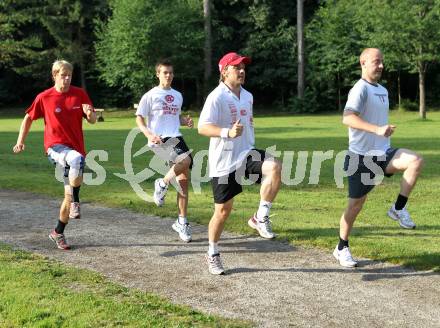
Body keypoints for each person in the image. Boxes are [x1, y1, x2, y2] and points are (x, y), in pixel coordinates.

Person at [334, 48, 424, 268]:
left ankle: (398, 208)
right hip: (361, 158)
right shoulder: (359, 89)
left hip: (383, 154)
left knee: (415, 161)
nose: (381, 66)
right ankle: (341, 247)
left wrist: (382, 133)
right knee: (355, 206)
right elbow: (347, 118)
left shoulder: (382, 90)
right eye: (376, 62)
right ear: (363, 63)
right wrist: (376, 129)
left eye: (382, 61)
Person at [198, 52, 282, 275]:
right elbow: (202, 127)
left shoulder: (248, 96)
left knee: (274, 166)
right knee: (223, 212)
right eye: (237, 67)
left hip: (245, 153)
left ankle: (260, 216)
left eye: (244, 67)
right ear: (224, 71)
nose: (242, 70)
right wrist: (227, 132)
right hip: (223, 161)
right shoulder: (216, 97)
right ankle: (213, 252)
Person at [13, 59, 97, 250]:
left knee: (68, 193)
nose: (66, 79)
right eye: (63, 75)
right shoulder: (44, 97)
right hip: (55, 148)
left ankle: (58, 232)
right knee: (76, 160)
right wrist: (20, 141)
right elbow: (28, 118)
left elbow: (92, 120)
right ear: (54, 76)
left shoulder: (80, 94)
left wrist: (90, 113)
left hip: (76, 150)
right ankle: (77, 202)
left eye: (69, 75)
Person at [136, 59, 194, 242]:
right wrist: (148, 134)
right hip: (160, 138)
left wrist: (185, 121)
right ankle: (162, 183)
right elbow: (139, 118)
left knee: (184, 181)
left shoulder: (177, 95)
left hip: (176, 136)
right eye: (164, 72)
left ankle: (181, 222)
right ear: (158, 74)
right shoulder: (150, 95)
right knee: (186, 161)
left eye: (170, 72)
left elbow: (174, 117)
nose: (168, 75)